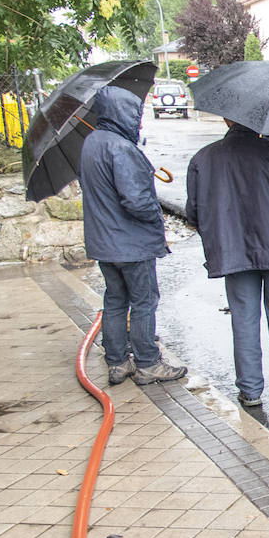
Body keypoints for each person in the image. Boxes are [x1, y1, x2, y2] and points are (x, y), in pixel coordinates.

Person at [186, 119, 269, 409]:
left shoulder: (204, 158)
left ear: (226, 119)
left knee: (243, 317)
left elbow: (193, 213)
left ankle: (250, 391)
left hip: (232, 251)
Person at [77, 85, 187, 386]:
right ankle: (148, 363)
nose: (138, 123)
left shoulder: (91, 143)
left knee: (115, 299)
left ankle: (117, 362)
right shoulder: (121, 149)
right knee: (143, 301)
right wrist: (156, 219)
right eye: (135, 116)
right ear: (121, 114)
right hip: (130, 244)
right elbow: (136, 201)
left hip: (103, 242)